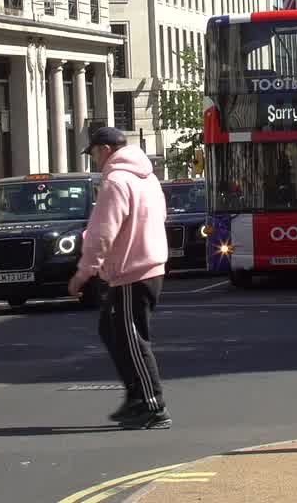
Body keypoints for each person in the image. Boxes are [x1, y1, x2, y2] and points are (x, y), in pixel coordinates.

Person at [69, 125, 171, 430]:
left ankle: (152, 405)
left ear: (105, 150)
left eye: (94, 154)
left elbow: (103, 232)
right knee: (111, 331)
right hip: (147, 266)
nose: (94, 162)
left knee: (132, 338)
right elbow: (159, 216)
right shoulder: (148, 178)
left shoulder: (115, 181)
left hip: (131, 271)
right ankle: (136, 396)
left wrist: (84, 272)